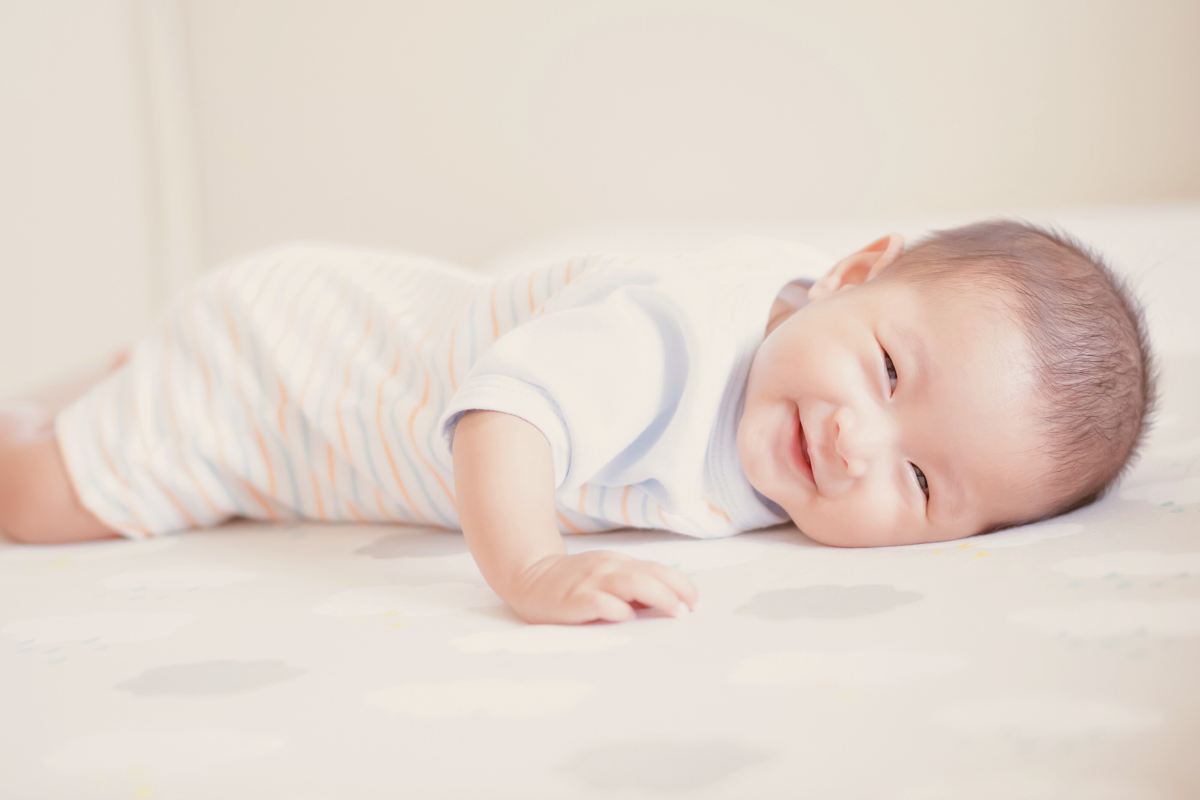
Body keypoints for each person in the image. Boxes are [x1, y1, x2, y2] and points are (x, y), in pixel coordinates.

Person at [0, 220, 1155, 625]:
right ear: (850, 272)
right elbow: (505, 409)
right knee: (38, 503)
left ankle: (127, 378)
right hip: (280, 376)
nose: (859, 443)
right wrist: (533, 564)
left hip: (302, 408)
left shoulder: (807, 393)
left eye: (920, 484)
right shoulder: (677, 334)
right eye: (890, 368)